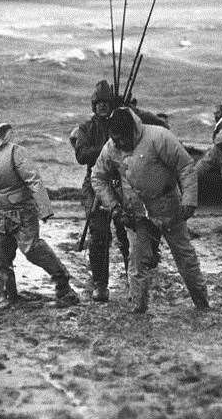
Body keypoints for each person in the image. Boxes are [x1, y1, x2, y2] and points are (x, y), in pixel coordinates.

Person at [0, 123, 80, 309]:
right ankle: (6, 296)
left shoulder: (13, 152)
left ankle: (62, 281)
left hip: (23, 210)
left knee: (32, 249)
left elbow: (33, 180)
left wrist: (44, 208)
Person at [91, 107, 209, 314]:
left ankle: (202, 303)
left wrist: (189, 200)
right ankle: (138, 308)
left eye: (122, 139)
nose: (119, 144)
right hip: (135, 212)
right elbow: (98, 177)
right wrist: (114, 207)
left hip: (169, 207)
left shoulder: (159, 137)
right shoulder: (111, 148)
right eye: (115, 139)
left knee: (185, 256)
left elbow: (185, 167)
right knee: (136, 262)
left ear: (132, 131)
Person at [73, 80, 131, 302]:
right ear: (93, 106)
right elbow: (81, 155)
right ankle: (100, 284)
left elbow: (131, 144)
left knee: (126, 231)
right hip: (94, 182)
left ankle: (132, 278)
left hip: (119, 182)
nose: (102, 107)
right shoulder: (86, 128)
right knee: (98, 233)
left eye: (106, 103)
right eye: (99, 104)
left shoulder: (121, 123)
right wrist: (107, 149)